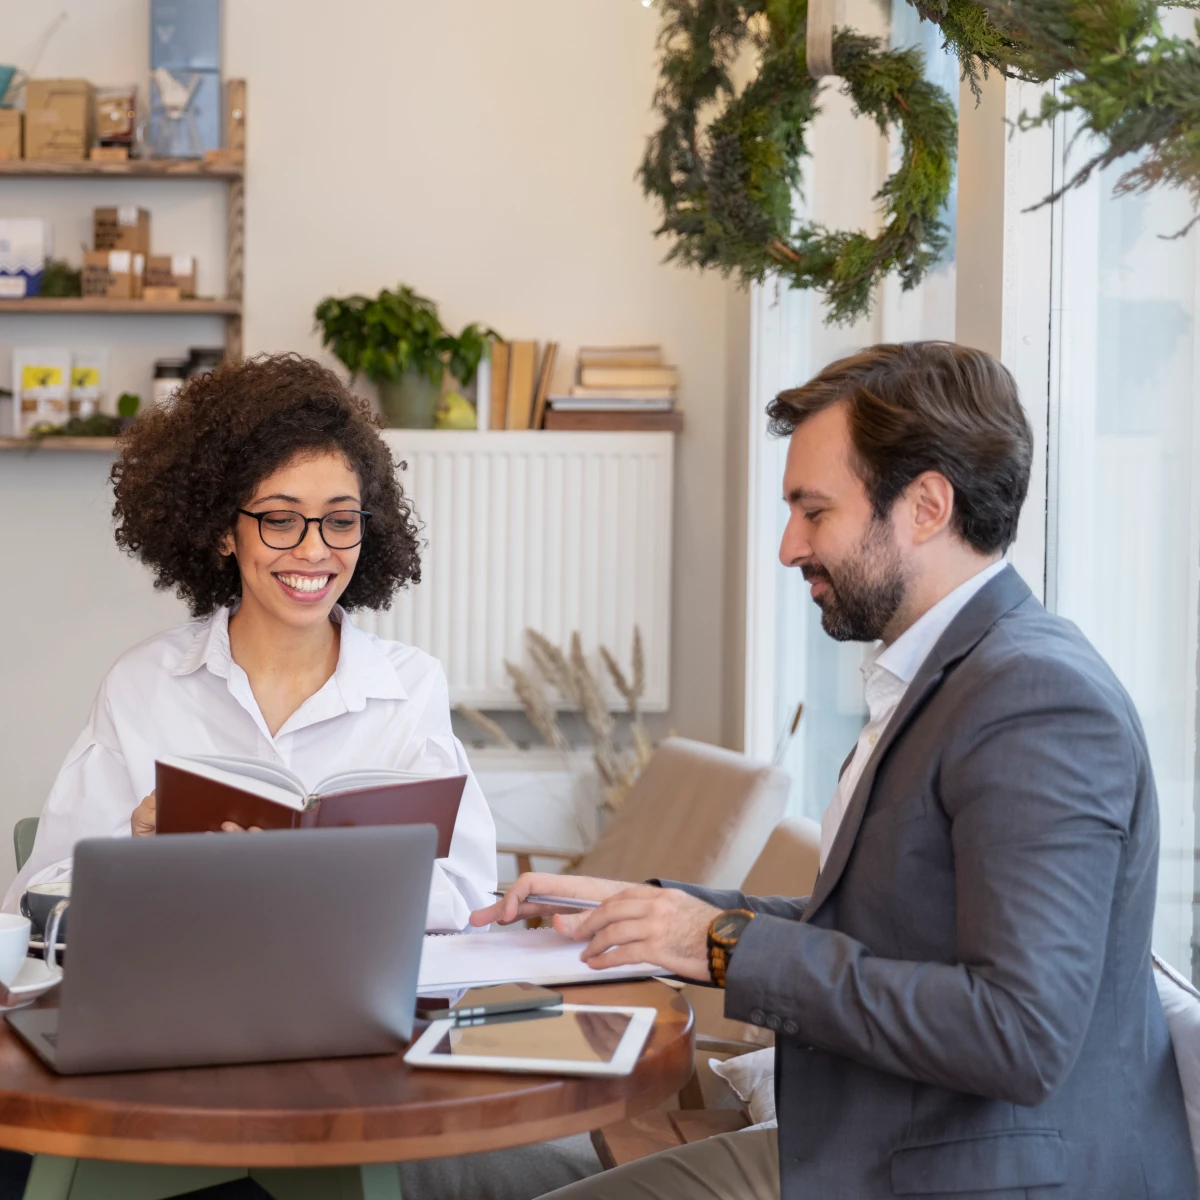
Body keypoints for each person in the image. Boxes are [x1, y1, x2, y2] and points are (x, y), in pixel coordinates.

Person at [474, 342, 1197, 1199]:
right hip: (889, 1146)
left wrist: (717, 944)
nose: (789, 547)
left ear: (926, 507)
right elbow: (877, 927)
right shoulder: (951, 676)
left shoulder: (1035, 701)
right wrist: (655, 914)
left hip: (972, 1175)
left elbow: (1020, 1034)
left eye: (813, 511)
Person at [5, 353, 496, 931]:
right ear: (223, 532)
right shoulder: (142, 684)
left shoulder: (411, 688)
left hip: (347, 984)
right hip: (184, 980)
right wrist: (141, 859)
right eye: (280, 520)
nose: (314, 550)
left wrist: (319, 873)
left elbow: (467, 897)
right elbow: (38, 896)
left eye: (340, 521)